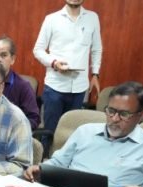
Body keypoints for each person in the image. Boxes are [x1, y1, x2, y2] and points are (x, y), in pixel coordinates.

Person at [25, 82, 143, 187]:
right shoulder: (85, 131)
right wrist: (41, 170)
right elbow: (58, 163)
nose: (114, 119)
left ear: (140, 115)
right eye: (111, 111)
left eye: (124, 114)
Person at [33, 0, 102, 145]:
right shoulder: (52, 19)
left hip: (79, 87)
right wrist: (54, 63)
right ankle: (46, 158)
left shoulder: (92, 18)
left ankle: (66, 160)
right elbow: (38, 50)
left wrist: (95, 74)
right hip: (55, 86)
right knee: (49, 132)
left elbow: (96, 48)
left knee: (71, 134)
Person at [0, 35, 41, 130]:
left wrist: (15, 129)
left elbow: (34, 119)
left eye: (3, 55)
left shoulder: (23, 86)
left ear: (12, 59)